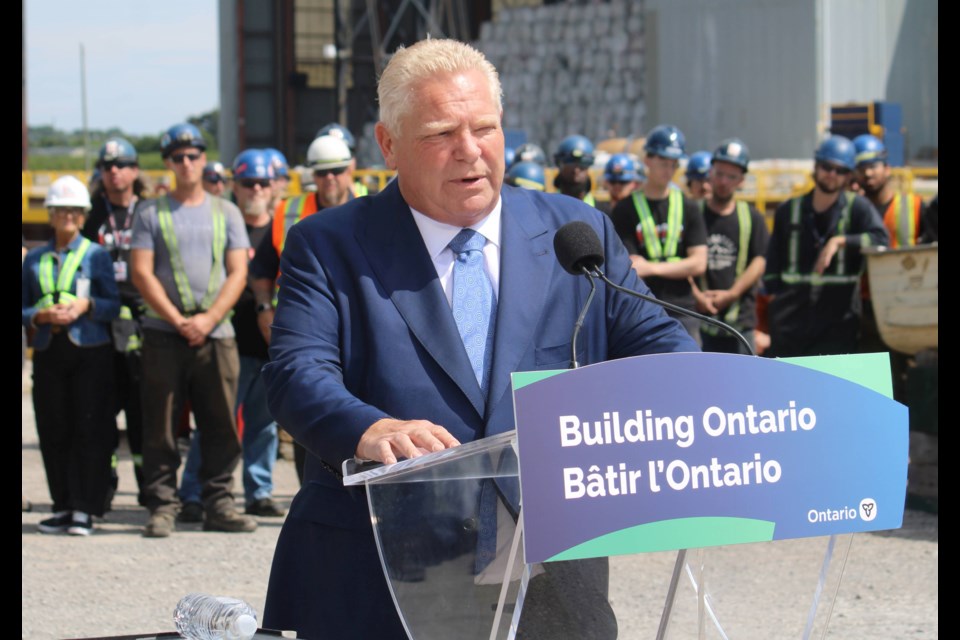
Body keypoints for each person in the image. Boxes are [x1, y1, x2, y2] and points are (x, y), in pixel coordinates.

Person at [259, 38, 697, 640]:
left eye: (485, 128)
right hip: (386, 574)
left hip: (549, 575)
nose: (470, 152)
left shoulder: (576, 232)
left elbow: (663, 347)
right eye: (441, 134)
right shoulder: (329, 245)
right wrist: (368, 428)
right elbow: (295, 373)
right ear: (389, 146)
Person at [130, 122, 257, 538]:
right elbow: (142, 273)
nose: (186, 163)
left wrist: (208, 319)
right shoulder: (150, 212)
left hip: (216, 334)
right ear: (167, 163)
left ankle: (218, 503)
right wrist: (178, 319)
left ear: (204, 159)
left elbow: (239, 272)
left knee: (221, 422)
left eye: (193, 155)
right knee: (161, 424)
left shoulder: (227, 212)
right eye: (177, 157)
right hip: (164, 333)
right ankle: (163, 505)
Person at [178, 149, 286, 522]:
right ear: (233, 186)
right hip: (227, 341)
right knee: (215, 424)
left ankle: (258, 491)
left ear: (274, 186)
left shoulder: (281, 226)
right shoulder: (219, 223)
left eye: (262, 182)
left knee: (264, 426)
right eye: (247, 182)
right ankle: (192, 493)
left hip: (270, 345)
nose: (255, 188)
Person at [22, 176, 120, 536]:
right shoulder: (34, 258)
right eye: (61, 210)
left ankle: (85, 508)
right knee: (53, 429)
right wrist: (38, 316)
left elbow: (113, 304)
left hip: (89, 351)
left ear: (83, 216)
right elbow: (23, 306)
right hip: (50, 349)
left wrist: (86, 305)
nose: (67, 216)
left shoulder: (95, 256)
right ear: (50, 214)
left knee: (89, 428)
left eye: (74, 211)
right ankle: (62, 505)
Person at [763, 135, 888, 357]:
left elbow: (881, 240)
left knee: (833, 389)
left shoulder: (858, 208)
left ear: (849, 176)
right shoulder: (788, 211)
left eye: (840, 170)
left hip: (838, 323)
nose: (832, 174)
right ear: (816, 167)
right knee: (789, 390)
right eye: (827, 167)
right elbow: (772, 267)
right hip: (791, 324)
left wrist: (841, 241)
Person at [82, 138, 149, 507]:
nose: (114, 171)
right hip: (100, 323)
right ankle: (103, 487)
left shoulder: (150, 212)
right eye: (107, 166)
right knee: (102, 410)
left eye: (122, 164)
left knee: (142, 412)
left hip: (141, 322)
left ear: (135, 170)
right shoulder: (91, 214)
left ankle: (147, 488)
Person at [610, 124, 708, 342]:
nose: (669, 171)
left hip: (683, 310)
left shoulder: (688, 206)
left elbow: (699, 263)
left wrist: (652, 267)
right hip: (641, 308)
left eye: (674, 165)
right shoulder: (625, 209)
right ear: (647, 160)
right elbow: (632, 266)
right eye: (663, 163)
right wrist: (679, 266)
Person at [689, 138, 768, 353]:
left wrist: (732, 294)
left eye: (731, 176)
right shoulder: (693, 213)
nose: (724, 181)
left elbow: (759, 260)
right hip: (698, 321)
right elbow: (680, 257)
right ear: (711, 173)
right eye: (720, 174)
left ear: (741, 180)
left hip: (741, 324)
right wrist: (697, 295)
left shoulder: (752, 218)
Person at [852, 134, 926, 249]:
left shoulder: (915, 206)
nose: (867, 173)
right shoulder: (852, 212)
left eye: (873, 166)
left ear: (887, 169)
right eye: (861, 169)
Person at [552, 134, 597, 206]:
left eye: (582, 166)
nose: (576, 171)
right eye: (570, 165)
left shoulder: (601, 212)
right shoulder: (548, 206)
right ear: (560, 166)